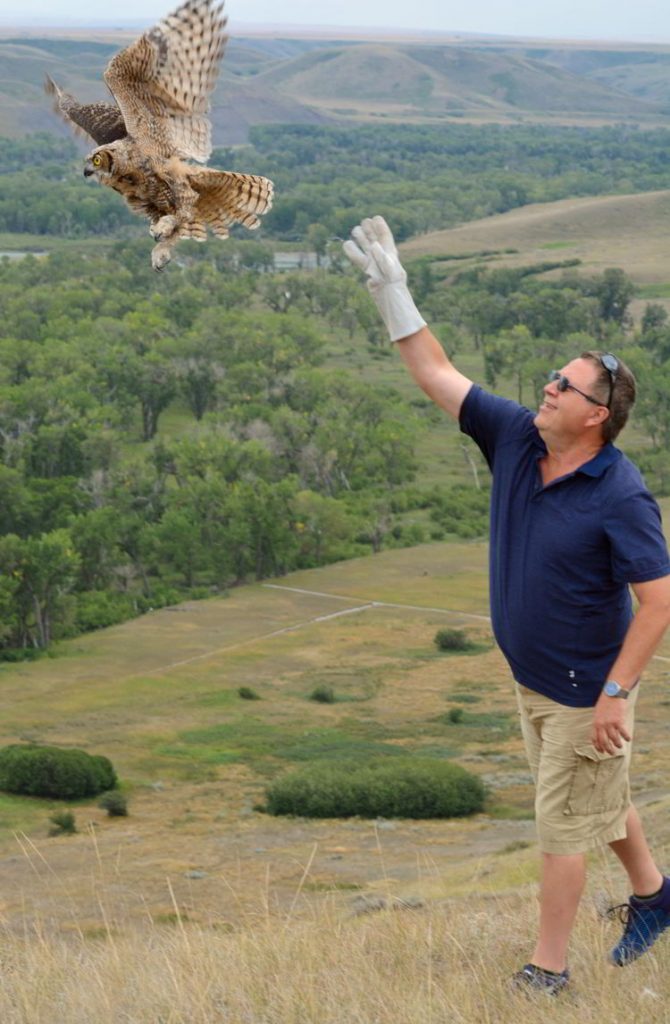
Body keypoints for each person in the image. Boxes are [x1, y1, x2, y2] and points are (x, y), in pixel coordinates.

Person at [343, 215, 670, 995]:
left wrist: (615, 696)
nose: (547, 389)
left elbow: (657, 604)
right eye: (552, 379)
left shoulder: (620, 495)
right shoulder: (520, 438)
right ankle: (658, 897)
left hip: (586, 689)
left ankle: (547, 970)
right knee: (597, 798)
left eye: (564, 386)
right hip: (532, 677)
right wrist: (395, 292)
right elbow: (436, 372)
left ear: (597, 415)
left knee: (562, 829)